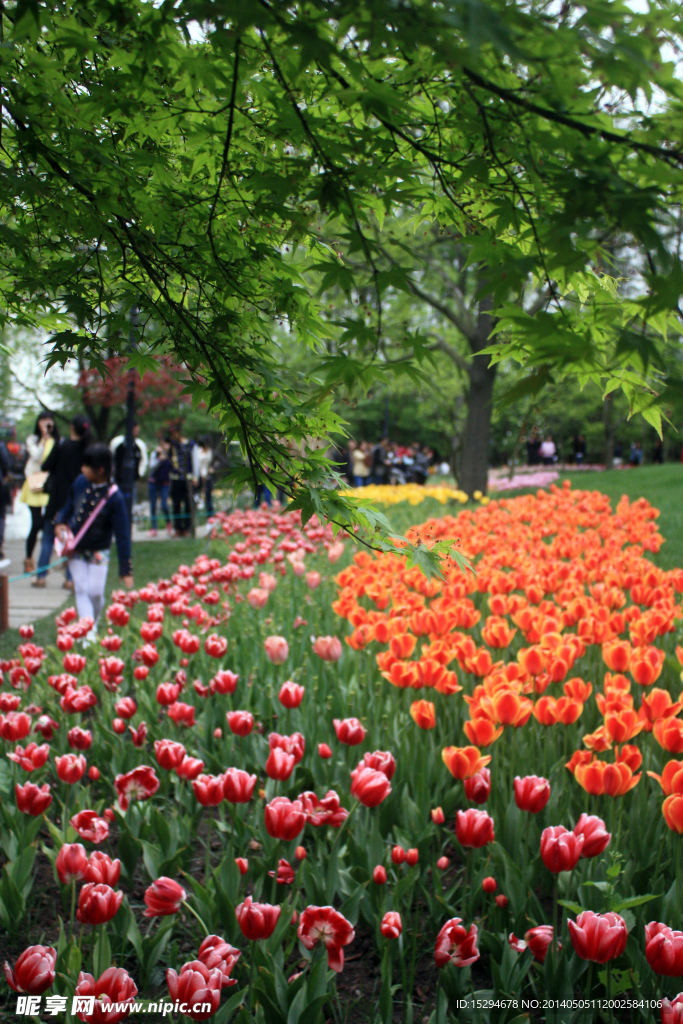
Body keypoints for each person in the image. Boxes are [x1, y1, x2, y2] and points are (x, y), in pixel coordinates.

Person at [54, 444, 132, 630]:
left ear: (100, 470)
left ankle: (92, 622)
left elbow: (123, 535)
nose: (82, 469)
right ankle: (88, 633)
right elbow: (69, 505)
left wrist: (125, 569)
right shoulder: (80, 482)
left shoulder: (115, 498)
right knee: (81, 589)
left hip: (99, 550)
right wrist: (59, 522)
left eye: (86, 466)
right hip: (77, 548)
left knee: (95, 592)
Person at [34, 414, 92, 588]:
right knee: (72, 540)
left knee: (48, 538)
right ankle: (69, 578)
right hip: (77, 501)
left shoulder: (62, 446)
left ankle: (41, 576)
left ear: (72, 428)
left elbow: (45, 466)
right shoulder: (87, 449)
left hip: (57, 498)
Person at [18, 413, 58, 573]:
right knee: (36, 524)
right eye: (43, 421)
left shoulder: (57, 442)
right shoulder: (33, 440)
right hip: (34, 485)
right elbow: (37, 457)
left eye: (48, 421)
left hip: (49, 487)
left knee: (48, 524)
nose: (46, 424)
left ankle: (46, 558)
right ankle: (29, 559)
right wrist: (45, 438)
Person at [168, 423, 198, 536]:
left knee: (187, 504)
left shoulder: (190, 445)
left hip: (188, 479)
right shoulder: (172, 446)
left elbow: (195, 461)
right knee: (176, 504)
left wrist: (195, 476)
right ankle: (178, 528)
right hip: (176, 479)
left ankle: (187, 528)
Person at [110, 424, 148, 506]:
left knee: (130, 502)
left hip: (132, 480)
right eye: (135, 430)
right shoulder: (116, 442)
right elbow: (111, 459)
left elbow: (144, 461)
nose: (136, 433)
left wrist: (139, 473)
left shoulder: (140, 445)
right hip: (117, 479)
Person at [147, 439, 172, 537]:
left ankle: (169, 523)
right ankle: (154, 528)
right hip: (153, 482)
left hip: (164, 483)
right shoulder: (154, 454)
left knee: (164, 505)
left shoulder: (170, 455)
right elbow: (151, 467)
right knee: (153, 506)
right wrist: (158, 459)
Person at [196, 438, 215, 516]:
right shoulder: (198, 452)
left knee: (208, 498)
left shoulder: (210, 452)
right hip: (199, 476)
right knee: (197, 497)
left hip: (207, 476)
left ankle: (210, 517)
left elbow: (210, 463)